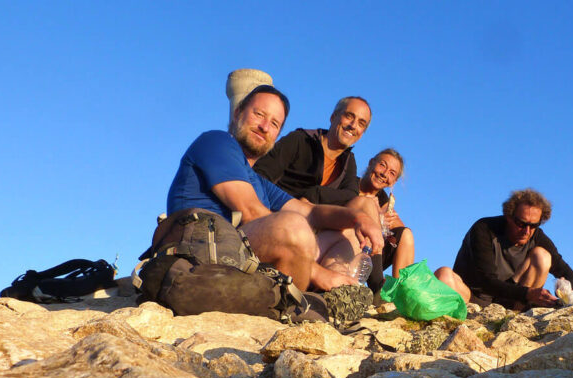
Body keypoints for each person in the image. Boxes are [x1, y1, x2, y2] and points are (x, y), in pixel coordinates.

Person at [162, 85, 382, 292]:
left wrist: (357, 219)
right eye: (259, 114)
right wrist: (318, 272)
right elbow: (250, 211)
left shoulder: (260, 184)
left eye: (275, 123)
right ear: (238, 112)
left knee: (346, 235)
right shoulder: (216, 142)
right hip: (204, 251)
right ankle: (315, 285)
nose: (265, 126)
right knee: (293, 225)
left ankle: (339, 295)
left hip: (248, 255)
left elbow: (311, 212)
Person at [253, 96, 385, 280]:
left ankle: (342, 290)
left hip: (316, 235)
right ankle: (371, 283)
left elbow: (350, 194)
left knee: (361, 210)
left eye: (361, 123)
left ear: (362, 132)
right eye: (349, 116)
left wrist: (312, 195)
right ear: (333, 117)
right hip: (283, 227)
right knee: (358, 215)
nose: (353, 125)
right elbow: (259, 176)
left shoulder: (348, 161)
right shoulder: (300, 140)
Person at [358, 148, 414, 278]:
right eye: (382, 165)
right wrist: (377, 221)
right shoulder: (350, 184)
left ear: (393, 182)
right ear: (371, 163)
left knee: (406, 234)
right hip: (344, 244)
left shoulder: (384, 202)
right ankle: (377, 284)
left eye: (392, 173)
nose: (384, 174)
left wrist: (386, 232)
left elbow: (401, 235)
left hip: (369, 254)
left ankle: (399, 290)